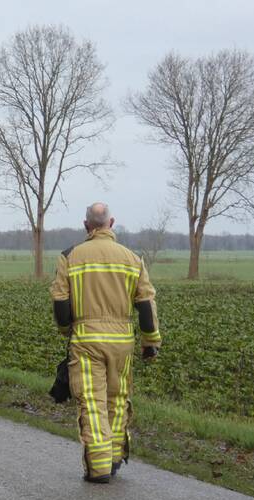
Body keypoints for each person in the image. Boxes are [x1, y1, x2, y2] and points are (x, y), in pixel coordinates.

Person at [49, 203, 162, 484]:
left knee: (92, 402)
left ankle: (98, 468)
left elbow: (61, 302)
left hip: (87, 341)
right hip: (122, 342)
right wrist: (150, 342)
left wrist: (66, 330)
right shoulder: (133, 259)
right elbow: (146, 304)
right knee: (117, 399)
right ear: (111, 222)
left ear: (86, 225)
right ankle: (112, 459)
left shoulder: (70, 256)